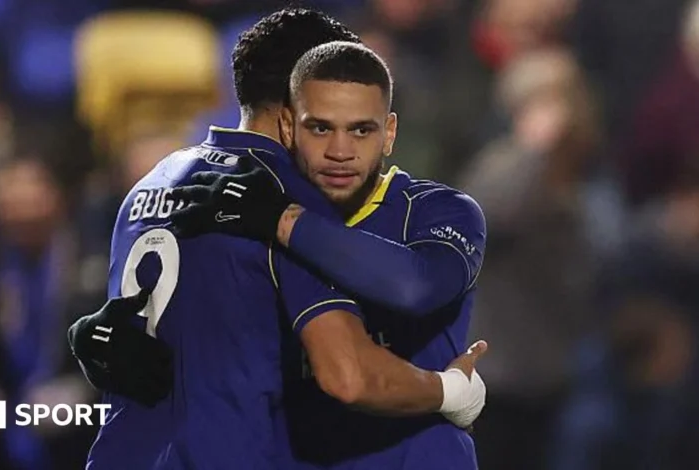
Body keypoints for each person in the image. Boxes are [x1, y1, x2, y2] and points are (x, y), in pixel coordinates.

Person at [73, 9, 487, 470]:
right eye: (322, 123)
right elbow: (348, 375)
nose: (339, 148)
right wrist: (452, 391)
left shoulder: (154, 183)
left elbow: (418, 283)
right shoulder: (281, 195)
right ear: (295, 112)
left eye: (359, 127)